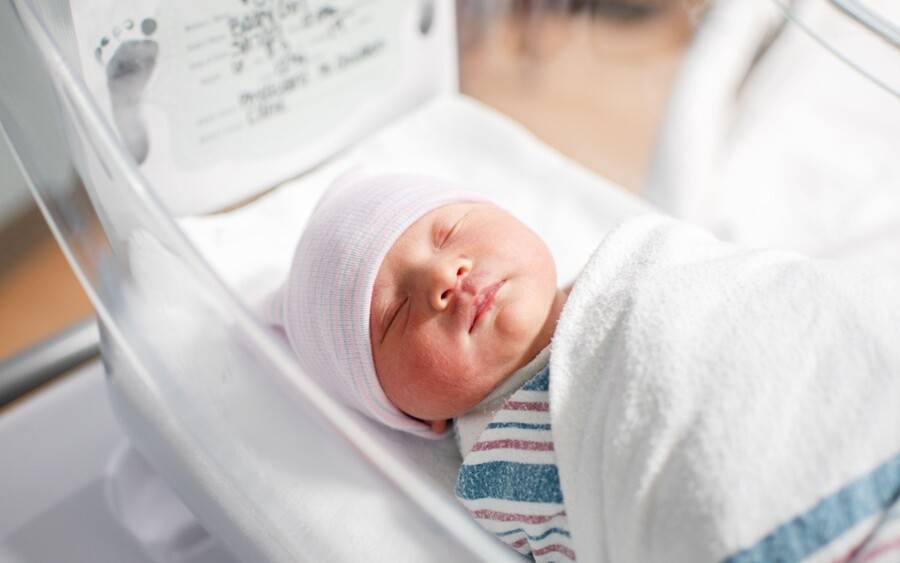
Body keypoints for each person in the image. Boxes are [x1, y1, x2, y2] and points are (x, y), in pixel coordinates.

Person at [265, 172, 900, 563]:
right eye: (396, 315)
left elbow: (775, 307)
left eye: (448, 229)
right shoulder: (497, 469)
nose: (442, 276)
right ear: (413, 416)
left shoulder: (647, 260)